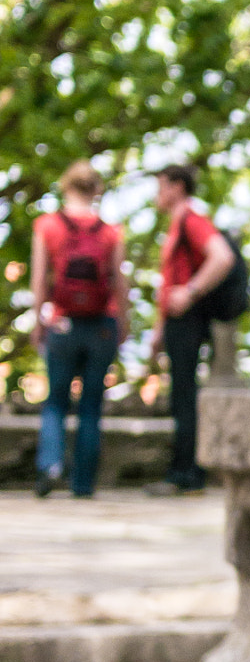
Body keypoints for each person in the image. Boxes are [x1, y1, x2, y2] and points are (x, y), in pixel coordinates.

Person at [30, 162, 130, 498]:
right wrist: (124, 323)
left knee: (56, 401)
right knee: (91, 404)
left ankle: (51, 464)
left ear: (66, 186)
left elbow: (40, 278)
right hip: (101, 322)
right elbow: (119, 280)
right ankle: (83, 483)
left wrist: (37, 321)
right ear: (96, 190)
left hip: (62, 322)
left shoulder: (47, 226)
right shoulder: (111, 231)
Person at [149, 165, 235, 495]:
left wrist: (192, 291)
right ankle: (183, 471)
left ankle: (186, 473)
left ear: (178, 187)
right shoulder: (177, 225)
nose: (157, 194)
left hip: (188, 320)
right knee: (180, 393)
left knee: (185, 396)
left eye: (161, 186)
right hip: (175, 321)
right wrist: (159, 328)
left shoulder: (192, 221)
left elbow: (222, 257)